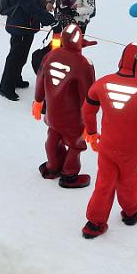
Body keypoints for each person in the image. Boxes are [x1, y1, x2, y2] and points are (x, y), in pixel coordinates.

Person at [81, 43, 137, 239]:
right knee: (130, 182)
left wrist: (91, 132)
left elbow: (88, 108)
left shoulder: (103, 83)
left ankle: (94, 223)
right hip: (133, 150)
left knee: (104, 182)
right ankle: (131, 212)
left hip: (108, 145)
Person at [33, 23, 96, 188]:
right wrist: (89, 123)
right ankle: (69, 173)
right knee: (75, 144)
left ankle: (52, 166)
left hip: (52, 113)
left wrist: (38, 100)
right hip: (73, 117)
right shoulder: (83, 64)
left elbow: (40, 78)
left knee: (53, 137)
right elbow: (88, 96)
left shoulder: (50, 56)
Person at [0, 0, 57, 101]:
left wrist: (45, 15)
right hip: (20, 24)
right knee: (15, 55)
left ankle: (16, 79)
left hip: (28, 25)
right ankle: (6, 87)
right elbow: (28, 5)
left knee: (22, 54)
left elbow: (36, 2)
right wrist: (49, 19)